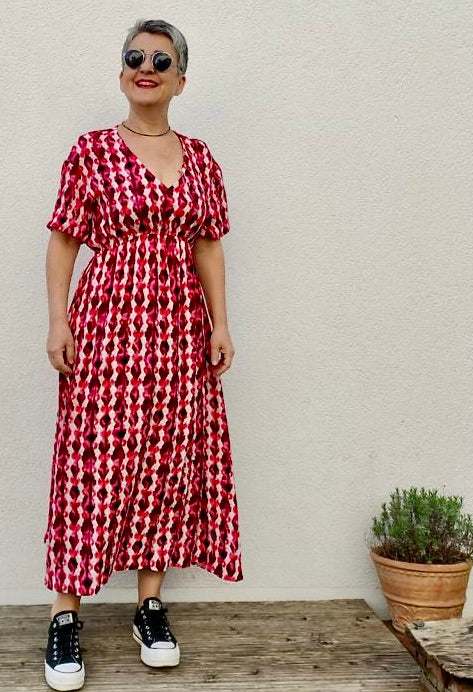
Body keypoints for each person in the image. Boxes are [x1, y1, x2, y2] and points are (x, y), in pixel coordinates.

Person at [43, 18, 243, 691]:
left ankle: (148, 606)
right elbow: (64, 241)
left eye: (161, 60)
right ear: (122, 72)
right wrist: (58, 322)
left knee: (165, 460)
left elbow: (208, 244)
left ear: (181, 80)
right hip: (106, 327)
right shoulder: (92, 152)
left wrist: (220, 323)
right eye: (135, 57)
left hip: (179, 333)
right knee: (90, 460)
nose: (145, 67)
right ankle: (65, 614)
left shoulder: (202, 158)